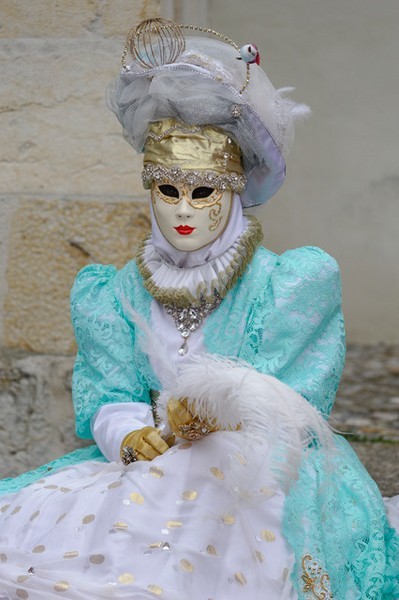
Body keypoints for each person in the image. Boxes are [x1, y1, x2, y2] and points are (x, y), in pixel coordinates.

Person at [0, 18, 398, 600]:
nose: (184, 210)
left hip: (254, 478)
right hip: (148, 474)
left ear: (232, 191)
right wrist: (132, 436)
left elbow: (298, 405)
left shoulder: (287, 284)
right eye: (168, 190)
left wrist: (218, 411)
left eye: (203, 191)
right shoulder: (114, 295)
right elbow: (109, 391)